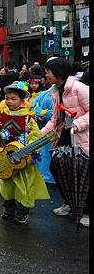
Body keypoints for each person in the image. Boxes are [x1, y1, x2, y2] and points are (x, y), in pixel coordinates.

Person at [0, 81, 50, 224]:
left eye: (13, 99)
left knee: (24, 186)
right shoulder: (0, 117)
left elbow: (35, 136)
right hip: (5, 156)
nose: (9, 101)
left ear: (22, 101)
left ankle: (21, 212)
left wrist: (31, 152)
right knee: (7, 185)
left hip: (22, 159)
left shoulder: (28, 119)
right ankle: (9, 208)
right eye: (7, 98)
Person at [41, 57, 90, 228]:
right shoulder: (55, 91)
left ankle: (86, 211)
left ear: (59, 73)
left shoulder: (78, 88)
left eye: (48, 71)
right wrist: (38, 134)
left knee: (82, 175)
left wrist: (77, 125)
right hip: (63, 136)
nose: (46, 75)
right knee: (57, 167)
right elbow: (55, 119)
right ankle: (69, 203)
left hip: (80, 138)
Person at [28, 75, 54, 183]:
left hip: (50, 127)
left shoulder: (47, 94)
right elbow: (32, 107)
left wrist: (43, 114)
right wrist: (36, 114)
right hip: (41, 127)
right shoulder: (44, 94)